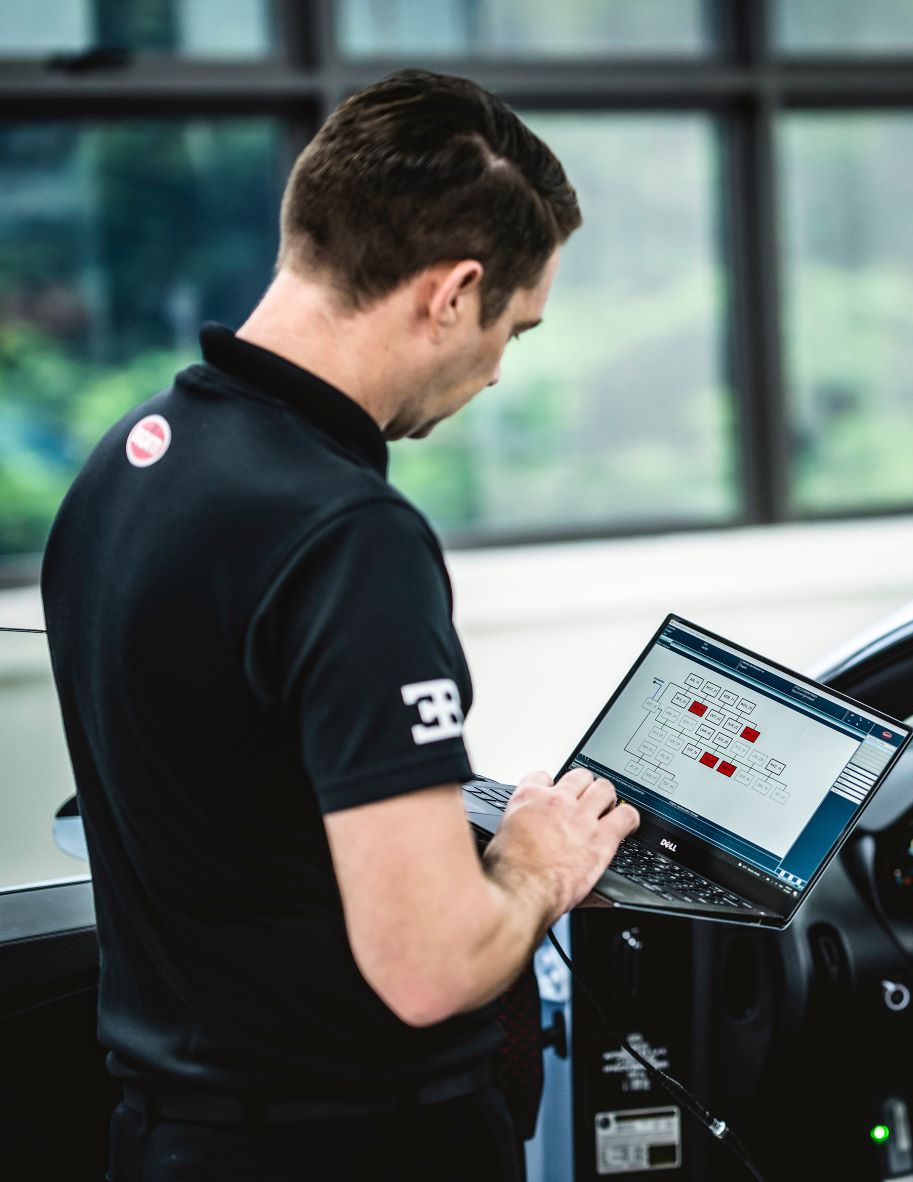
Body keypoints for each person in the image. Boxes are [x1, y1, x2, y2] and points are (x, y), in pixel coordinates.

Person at [40, 69, 638, 1181]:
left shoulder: (131, 462)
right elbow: (429, 967)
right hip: (351, 1147)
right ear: (453, 293)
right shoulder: (346, 535)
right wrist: (534, 865)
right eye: (515, 326)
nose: (501, 372)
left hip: (165, 1139)